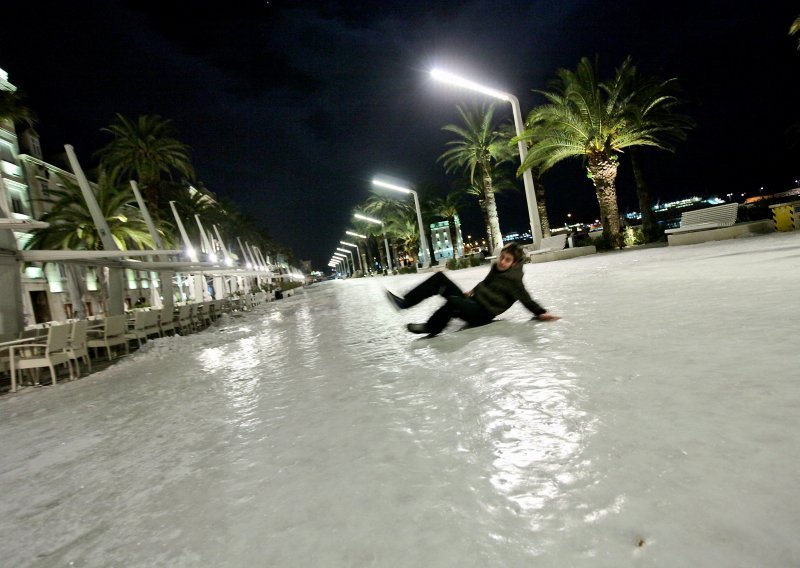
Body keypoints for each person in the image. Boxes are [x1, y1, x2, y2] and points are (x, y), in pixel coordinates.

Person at [386, 242, 560, 336]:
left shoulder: (514, 281)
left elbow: (526, 298)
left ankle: (432, 327)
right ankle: (405, 302)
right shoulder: (496, 269)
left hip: (482, 313)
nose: (502, 261)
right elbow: (485, 283)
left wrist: (541, 312)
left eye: (507, 260)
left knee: (454, 303)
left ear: (514, 263)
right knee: (440, 278)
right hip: (473, 301)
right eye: (502, 257)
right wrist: (473, 291)